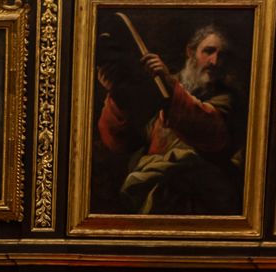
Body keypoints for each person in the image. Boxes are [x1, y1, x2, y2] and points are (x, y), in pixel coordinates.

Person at [95, 24, 244, 214]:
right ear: (190, 52)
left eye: (222, 56)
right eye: (208, 51)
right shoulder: (160, 85)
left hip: (200, 193)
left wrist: (170, 86)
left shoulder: (228, 98)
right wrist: (117, 96)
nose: (215, 61)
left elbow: (211, 132)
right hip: (151, 187)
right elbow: (121, 144)